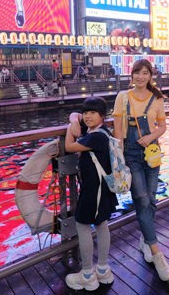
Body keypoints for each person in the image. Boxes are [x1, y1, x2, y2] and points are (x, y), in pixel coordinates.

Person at [114, 59, 169, 280]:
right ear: (132, 75)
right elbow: (117, 130)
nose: (141, 77)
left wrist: (151, 136)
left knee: (152, 199)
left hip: (152, 152)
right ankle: (157, 252)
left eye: (145, 73)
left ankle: (145, 240)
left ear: (150, 76)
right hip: (130, 154)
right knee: (141, 198)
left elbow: (163, 126)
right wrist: (119, 157)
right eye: (137, 73)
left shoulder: (157, 98)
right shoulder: (123, 97)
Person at [64, 97, 117, 291]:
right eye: (86, 112)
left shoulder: (96, 137)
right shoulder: (99, 132)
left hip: (94, 190)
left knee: (82, 223)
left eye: (92, 112)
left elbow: (69, 146)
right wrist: (74, 119)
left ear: (102, 115)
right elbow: (76, 116)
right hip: (102, 189)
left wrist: (70, 129)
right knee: (102, 224)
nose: (87, 116)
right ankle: (103, 270)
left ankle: (87, 274)